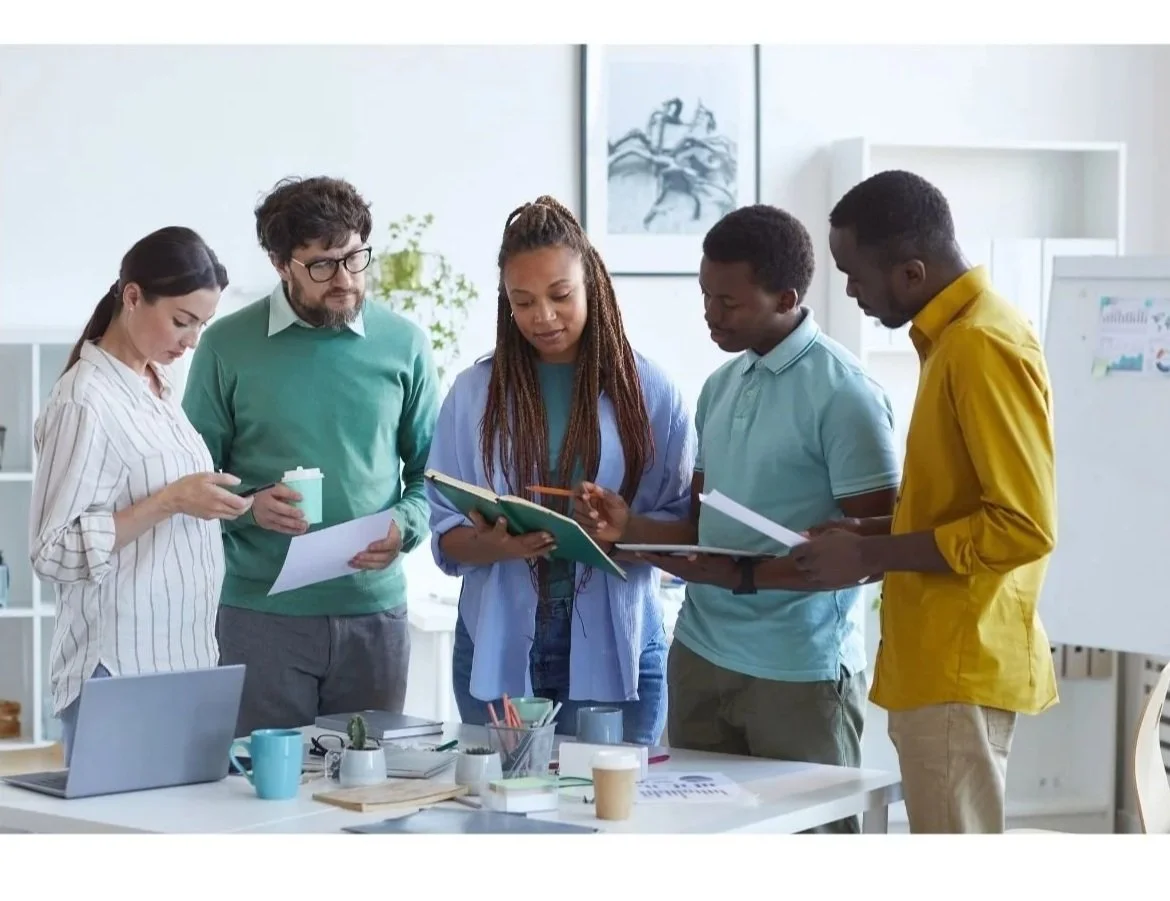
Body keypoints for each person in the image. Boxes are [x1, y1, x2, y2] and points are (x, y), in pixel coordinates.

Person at [574, 204, 900, 832]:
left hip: (798, 673)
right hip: (700, 655)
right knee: (700, 848)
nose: (710, 315)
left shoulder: (847, 395)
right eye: (704, 296)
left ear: (787, 297)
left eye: (728, 303)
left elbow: (873, 555)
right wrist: (630, 527)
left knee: (813, 855)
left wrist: (746, 579)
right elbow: (703, 530)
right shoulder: (721, 386)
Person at [791, 169, 1059, 833]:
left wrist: (873, 550)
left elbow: (1021, 525)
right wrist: (865, 536)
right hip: (941, 659)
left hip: (957, 663)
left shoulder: (978, 344)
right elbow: (959, 502)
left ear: (911, 271)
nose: (848, 291)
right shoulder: (958, 337)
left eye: (854, 275)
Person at [426, 195, 695, 747]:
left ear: (592, 284)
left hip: (617, 639)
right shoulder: (474, 392)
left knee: (611, 818)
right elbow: (446, 535)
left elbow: (685, 530)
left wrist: (625, 530)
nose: (542, 317)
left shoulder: (649, 391)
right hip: (496, 641)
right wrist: (497, 544)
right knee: (501, 820)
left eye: (560, 295)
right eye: (522, 302)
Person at [182, 176, 441, 736]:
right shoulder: (226, 346)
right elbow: (192, 481)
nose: (345, 280)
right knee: (263, 798)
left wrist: (406, 524)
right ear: (281, 264)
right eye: (322, 265)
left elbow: (433, 475)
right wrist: (250, 506)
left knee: (370, 793)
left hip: (374, 613)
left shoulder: (405, 344)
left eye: (354, 258)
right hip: (262, 616)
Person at [29, 226, 251, 763]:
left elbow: (171, 514)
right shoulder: (85, 400)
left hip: (184, 663)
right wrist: (170, 500)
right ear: (132, 296)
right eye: (182, 320)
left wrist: (232, 506)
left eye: (202, 324)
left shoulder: (157, 388)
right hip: (121, 672)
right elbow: (52, 551)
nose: (192, 340)